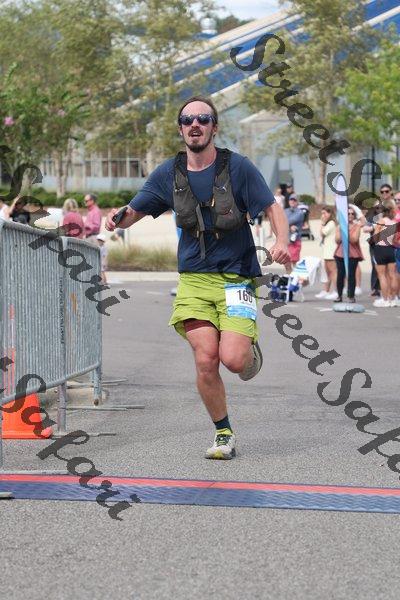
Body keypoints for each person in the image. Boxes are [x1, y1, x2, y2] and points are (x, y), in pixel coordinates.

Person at [105, 95, 290, 460]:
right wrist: (117, 218)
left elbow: (272, 206)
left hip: (236, 278)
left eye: (203, 119)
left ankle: (248, 350)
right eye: (188, 119)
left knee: (233, 360)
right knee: (206, 360)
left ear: (214, 128)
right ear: (180, 129)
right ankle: (223, 433)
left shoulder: (238, 167)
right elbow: (133, 212)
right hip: (193, 279)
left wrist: (282, 241)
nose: (195, 124)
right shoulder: (167, 173)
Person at [370, 199, 398, 307]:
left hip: (380, 249)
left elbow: (375, 237)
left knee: (382, 276)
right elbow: (395, 239)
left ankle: (385, 299)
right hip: (390, 249)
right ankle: (393, 299)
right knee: (392, 275)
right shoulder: (394, 222)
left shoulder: (382, 221)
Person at [334, 206, 363, 303]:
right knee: (340, 275)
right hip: (340, 253)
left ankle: (351, 296)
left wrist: (345, 232)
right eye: (348, 213)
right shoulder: (340, 226)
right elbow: (337, 240)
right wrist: (343, 229)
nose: (350, 215)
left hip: (353, 254)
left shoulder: (357, 226)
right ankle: (339, 295)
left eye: (352, 214)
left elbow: (354, 239)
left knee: (351, 275)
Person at [315, 206, 337, 300]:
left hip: (331, 250)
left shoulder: (331, 223)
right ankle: (326, 291)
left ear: (330, 213)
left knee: (333, 272)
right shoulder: (329, 223)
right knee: (327, 272)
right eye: (322, 213)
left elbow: (322, 233)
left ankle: (336, 291)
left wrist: (322, 223)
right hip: (327, 250)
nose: (323, 215)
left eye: (324, 213)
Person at [284, 195, 304, 273]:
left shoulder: (300, 212)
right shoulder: (285, 211)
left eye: (294, 200)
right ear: (288, 201)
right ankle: (289, 278)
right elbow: (281, 221)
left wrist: (286, 224)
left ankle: (295, 279)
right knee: (286, 263)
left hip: (295, 241)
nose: (292, 201)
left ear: (297, 202)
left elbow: (287, 221)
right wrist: (289, 226)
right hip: (286, 241)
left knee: (295, 263)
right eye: (291, 200)